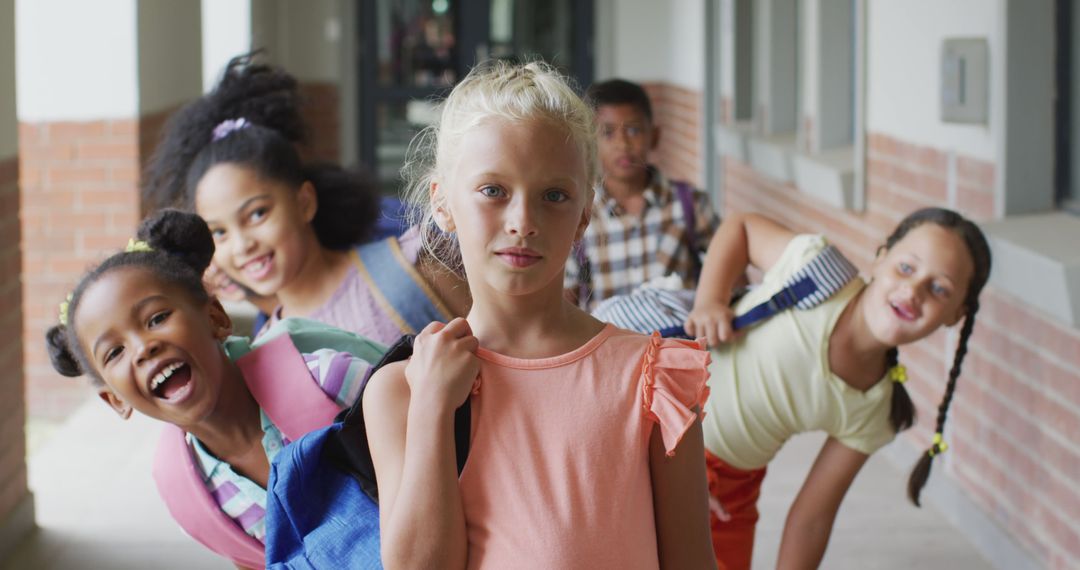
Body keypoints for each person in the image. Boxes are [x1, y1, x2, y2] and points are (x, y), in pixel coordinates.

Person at [362, 60, 716, 569]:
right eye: (493, 191)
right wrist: (433, 409)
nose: (523, 222)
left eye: (554, 195)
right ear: (442, 204)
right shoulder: (404, 390)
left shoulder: (654, 381)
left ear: (584, 216)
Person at [44, 209, 386, 569]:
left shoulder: (327, 381)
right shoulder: (192, 494)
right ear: (115, 400)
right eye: (115, 352)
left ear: (216, 318)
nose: (143, 347)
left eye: (157, 319)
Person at [683, 208, 992, 569]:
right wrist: (710, 300)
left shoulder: (876, 411)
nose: (912, 291)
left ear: (956, 315)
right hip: (653, 429)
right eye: (906, 268)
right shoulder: (815, 268)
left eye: (939, 288)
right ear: (880, 259)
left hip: (727, 491)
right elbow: (742, 228)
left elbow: (811, 520)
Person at [143, 53, 469, 344]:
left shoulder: (409, 269)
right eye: (219, 232)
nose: (242, 245)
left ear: (304, 202)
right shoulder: (266, 349)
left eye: (256, 214)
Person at [565, 78, 720, 309]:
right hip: (608, 344)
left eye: (634, 130)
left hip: (678, 342)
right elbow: (566, 300)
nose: (623, 144)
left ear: (654, 136)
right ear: (590, 143)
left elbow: (731, 271)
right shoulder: (577, 215)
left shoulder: (689, 204)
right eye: (607, 133)